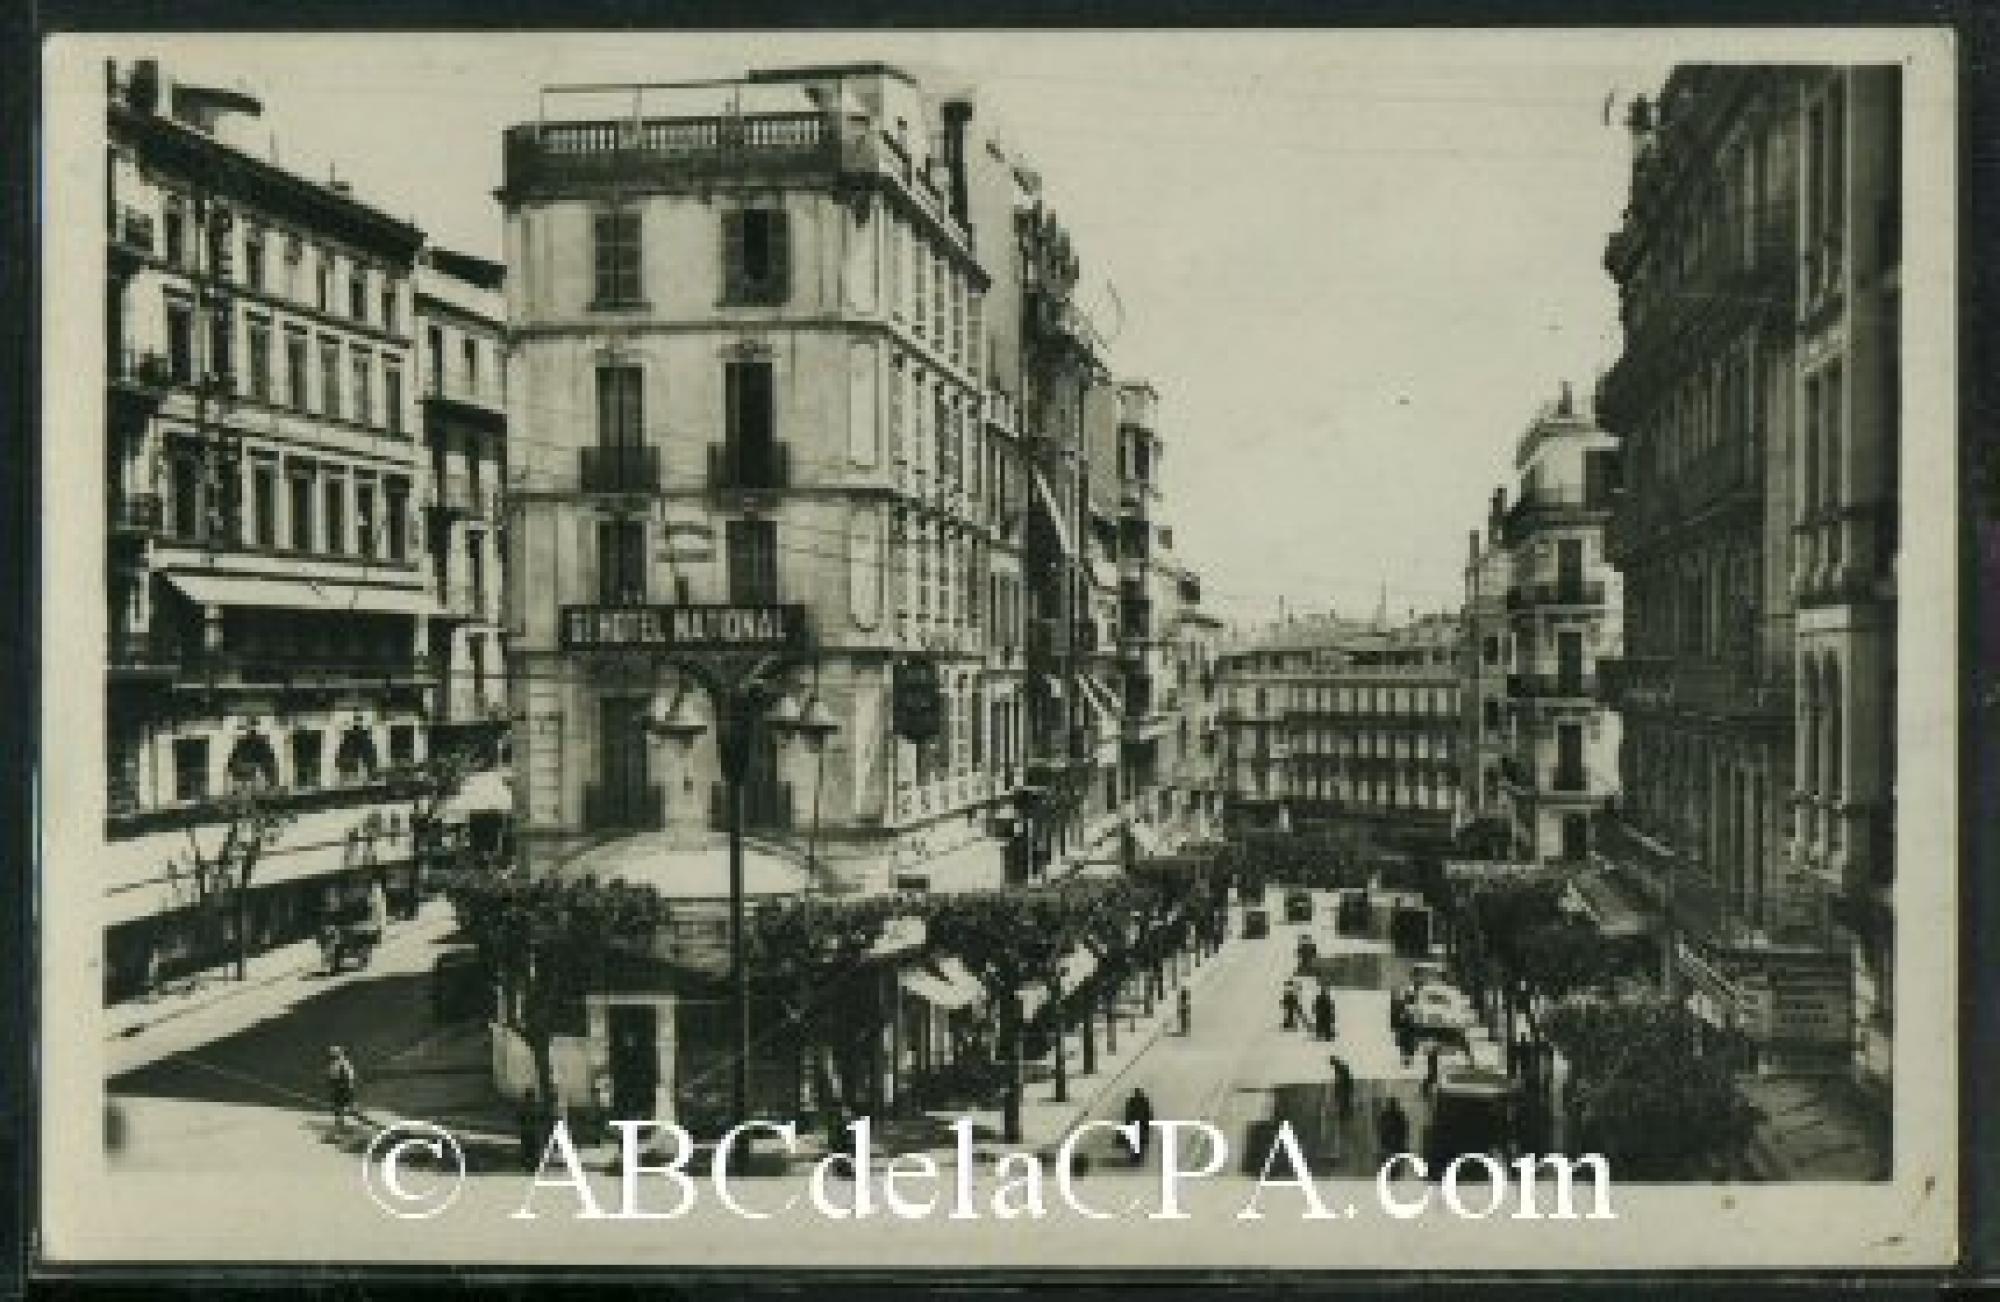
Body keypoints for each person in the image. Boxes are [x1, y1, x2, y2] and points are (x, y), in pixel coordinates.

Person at [326, 1046, 359, 1134]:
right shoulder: (340, 1063)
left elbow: (347, 1077)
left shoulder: (342, 1063)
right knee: (341, 1107)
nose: (331, 1056)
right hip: (341, 1087)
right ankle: (342, 1126)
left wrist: (347, 1087)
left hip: (343, 1087)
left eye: (333, 1054)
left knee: (342, 1107)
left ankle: (345, 1126)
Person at [517, 1088, 548, 1173]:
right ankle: (528, 1164)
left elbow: (540, 1118)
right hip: (529, 1131)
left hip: (531, 1131)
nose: (531, 1099)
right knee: (528, 1148)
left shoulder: (532, 1107)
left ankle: (532, 1164)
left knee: (532, 1148)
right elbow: (521, 1118)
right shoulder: (525, 1107)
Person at [1123, 1087, 1156, 1165]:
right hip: (1140, 1124)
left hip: (1137, 1124)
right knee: (1138, 1142)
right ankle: (1136, 1158)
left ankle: (1135, 1158)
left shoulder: (1132, 1101)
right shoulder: (1143, 1101)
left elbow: (1128, 1113)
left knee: (1136, 1142)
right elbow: (1148, 1113)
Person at [1376, 1096, 1411, 1165]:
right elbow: (1404, 1132)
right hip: (1391, 1147)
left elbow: (1380, 1130)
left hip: (1390, 1147)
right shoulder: (1398, 1116)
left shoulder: (1387, 1116)